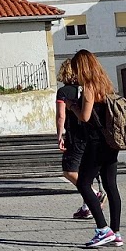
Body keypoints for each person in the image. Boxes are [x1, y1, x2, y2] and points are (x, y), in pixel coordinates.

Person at [72, 50, 124, 247]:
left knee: (84, 184)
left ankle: (103, 229)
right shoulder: (106, 84)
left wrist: (72, 107)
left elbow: (85, 117)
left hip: (96, 143)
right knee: (111, 186)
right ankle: (116, 232)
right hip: (111, 142)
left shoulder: (88, 88)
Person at [55, 53, 91, 218]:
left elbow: (61, 116)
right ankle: (87, 205)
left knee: (69, 171)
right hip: (88, 135)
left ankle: (94, 194)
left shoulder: (63, 92)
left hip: (74, 135)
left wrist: (60, 135)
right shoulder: (85, 89)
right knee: (83, 170)